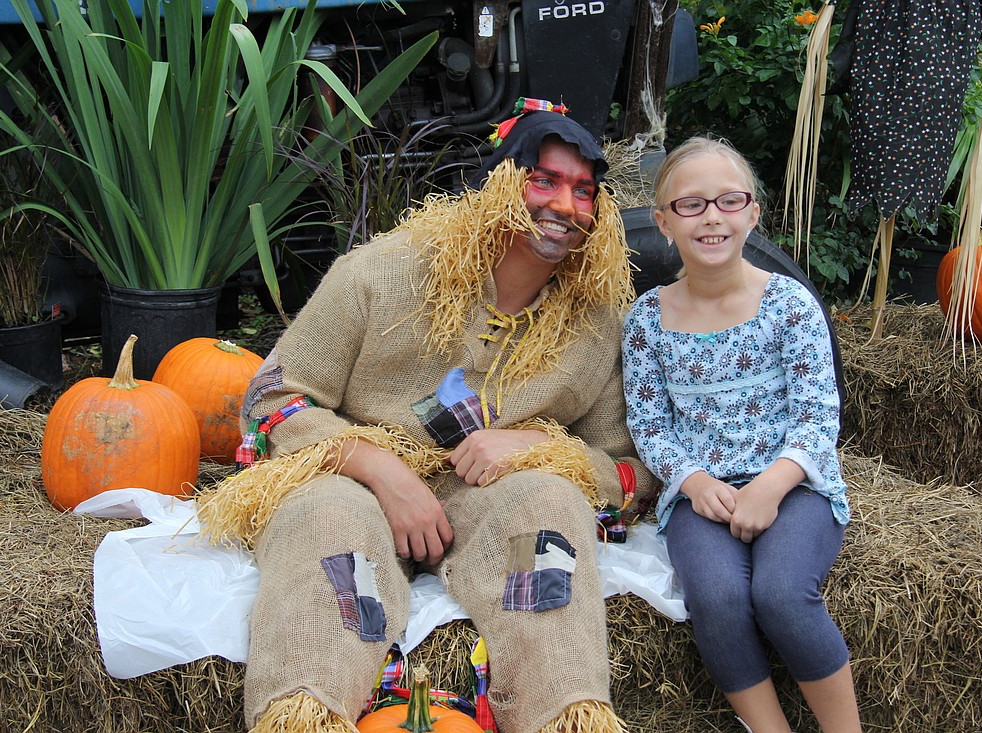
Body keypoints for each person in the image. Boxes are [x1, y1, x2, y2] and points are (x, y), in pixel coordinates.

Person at [196, 104, 655, 733]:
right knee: (327, 519)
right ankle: (305, 714)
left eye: (584, 191)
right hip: (355, 479)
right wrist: (381, 469)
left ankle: (563, 715)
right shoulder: (384, 272)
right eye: (543, 180)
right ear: (498, 183)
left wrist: (533, 449)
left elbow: (626, 471)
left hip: (488, 497)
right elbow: (275, 403)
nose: (567, 206)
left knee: (547, 509)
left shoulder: (597, 321)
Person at [620, 136, 862, 733]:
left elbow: (817, 414)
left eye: (729, 201)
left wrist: (773, 485)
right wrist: (692, 481)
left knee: (781, 594)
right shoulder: (647, 320)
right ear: (662, 222)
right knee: (719, 598)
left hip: (794, 485)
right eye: (691, 204)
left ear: (753, 214)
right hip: (702, 495)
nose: (712, 217)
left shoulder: (789, 306)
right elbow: (649, 423)